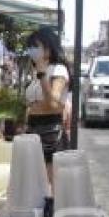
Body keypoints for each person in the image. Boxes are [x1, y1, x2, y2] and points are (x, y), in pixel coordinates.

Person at [24, 27, 71, 168]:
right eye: (30, 47)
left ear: (48, 48)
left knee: (49, 178)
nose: (32, 50)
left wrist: (42, 75)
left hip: (49, 129)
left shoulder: (58, 70)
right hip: (33, 127)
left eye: (36, 46)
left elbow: (53, 103)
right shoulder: (38, 71)